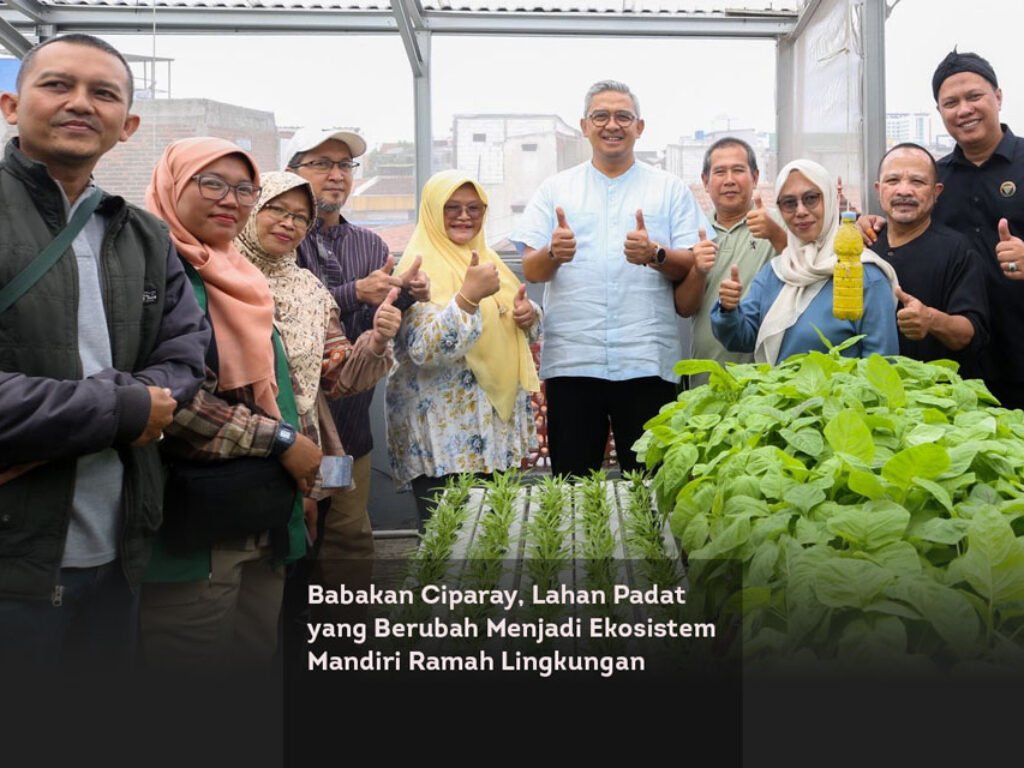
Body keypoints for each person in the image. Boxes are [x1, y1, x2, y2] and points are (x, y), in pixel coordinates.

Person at [0, 34, 208, 671]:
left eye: (104, 93)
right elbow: (139, 401)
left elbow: (186, 355)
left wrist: (142, 399)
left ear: (128, 125)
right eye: (58, 85)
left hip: (117, 549)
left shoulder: (141, 234)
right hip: (14, 557)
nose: (80, 103)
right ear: (11, 105)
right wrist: (122, 408)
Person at [139, 138, 375, 669]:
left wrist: (378, 342)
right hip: (198, 509)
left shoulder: (262, 284)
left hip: (278, 489)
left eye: (243, 189)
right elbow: (172, 397)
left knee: (264, 635)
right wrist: (285, 444)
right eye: (212, 184)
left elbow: (317, 383)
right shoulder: (155, 274)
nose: (231, 200)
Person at [513, 80, 710, 477]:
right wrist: (555, 253)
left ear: (640, 127)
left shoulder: (668, 189)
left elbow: (692, 260)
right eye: (601, 116)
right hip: (574, 361)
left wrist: (655, 254)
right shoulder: (556, 188)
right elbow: (531, 268)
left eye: (623, 116)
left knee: (652, 483)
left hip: (647, 360)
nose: (612, 125)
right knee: (572, 484)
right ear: (585, 126)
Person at [284, 127, 429, 562]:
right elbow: (288, 319)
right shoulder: (282, 237)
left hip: (349, 428)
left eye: (345, 166)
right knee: (292, 541)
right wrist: (354, 292)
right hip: (294, 428)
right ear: (292, 172)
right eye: (322, 164)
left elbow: (372, 325)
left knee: (349, 537)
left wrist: (402, 294)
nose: (336, 175)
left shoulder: (368, 243)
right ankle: (295, 629)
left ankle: (349, 630)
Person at [235, 170, 398, 538]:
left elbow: (336, 375)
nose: (287, 223)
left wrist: (376, 340)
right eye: (276, 209)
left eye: (299, 217)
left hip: (312, 445)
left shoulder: (310, 291)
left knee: (318, 551)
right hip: (239, 448)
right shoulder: (218, 276)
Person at [862, 50, 1024, 407]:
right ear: (940, 112)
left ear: (998, 97)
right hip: (958, 363)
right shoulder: (938, 178)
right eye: (950, 102)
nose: (963, 109)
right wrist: (871, 223)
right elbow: (910, 228)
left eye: (974, 96)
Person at [386, 170, 541, 526]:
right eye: (451, 207)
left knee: (492, 543)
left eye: (474, 208)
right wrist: (468, 298)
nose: (464, 216)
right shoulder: (416, 268)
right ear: (432, 212)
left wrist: (528, 315)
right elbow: (424, 350)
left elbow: (513, 327)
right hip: (444, 438)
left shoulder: (489, 261)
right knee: (448, 549)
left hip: (493, 432)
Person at [711, 159, 899, 363]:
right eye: (789, 203)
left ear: (829, 199)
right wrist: (728, 309)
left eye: (811, 198)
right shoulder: (777, 272)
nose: (800, 211)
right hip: (778, 394)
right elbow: (743, 339)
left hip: (843, 395)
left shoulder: (864, 275)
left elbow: (881, 365)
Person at [674, 137, 787, 386]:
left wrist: (775, 234)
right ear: (705, 181)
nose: (729, 180)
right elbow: (684, 308)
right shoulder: (692, 230)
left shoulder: (780, 222)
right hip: (706, 378)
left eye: (738, 170)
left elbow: (809, 264)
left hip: (767, 379)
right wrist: (698, 270)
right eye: (720, 172)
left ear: (755, 177)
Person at [870, 143, 988, 374]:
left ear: (936, 192)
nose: (904, 191)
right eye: (893, 181)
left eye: (917, 182)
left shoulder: (957, 249)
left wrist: (931, 319)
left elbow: (970, 332)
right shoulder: (865, 244)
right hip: (866, 390)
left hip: (931, 395)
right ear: (878, 189)